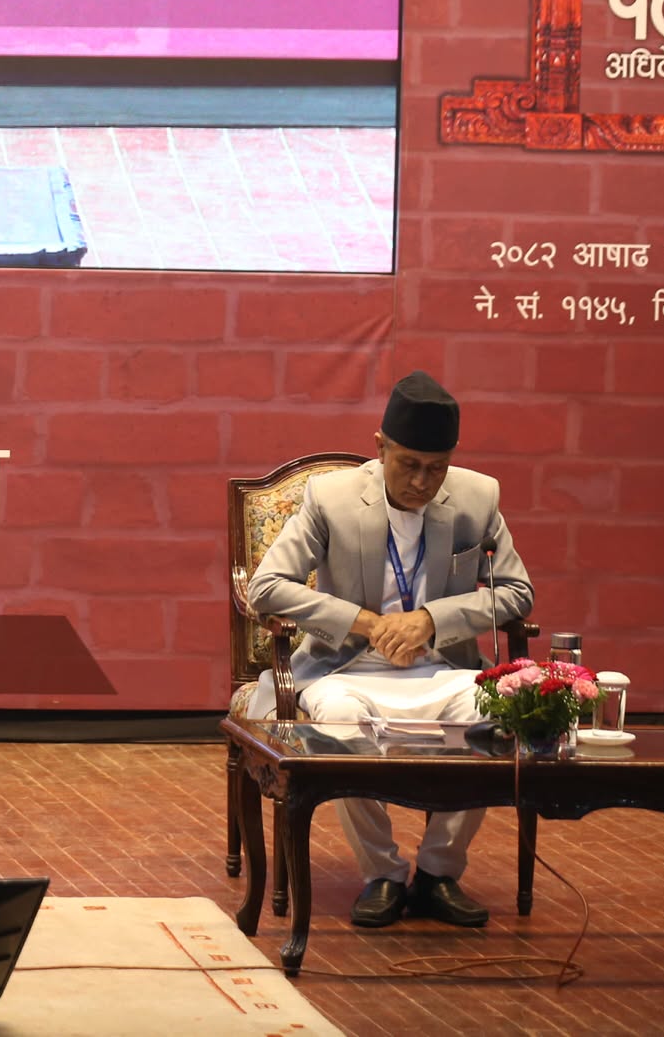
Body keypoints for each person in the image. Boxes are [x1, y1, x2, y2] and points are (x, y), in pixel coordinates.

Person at [247, 371, 534, 929]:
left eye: (437, 467)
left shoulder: (478, 498)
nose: (423, 482)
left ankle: (438, 873)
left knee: (497, 714)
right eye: (409, 465)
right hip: (347, 668)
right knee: (338, 722)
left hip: (442, 667)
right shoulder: (331, 497)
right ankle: (382, 872)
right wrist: (365, 622)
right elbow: (267, 586)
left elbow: (517, 591)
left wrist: (431, 620)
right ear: (380, 447)